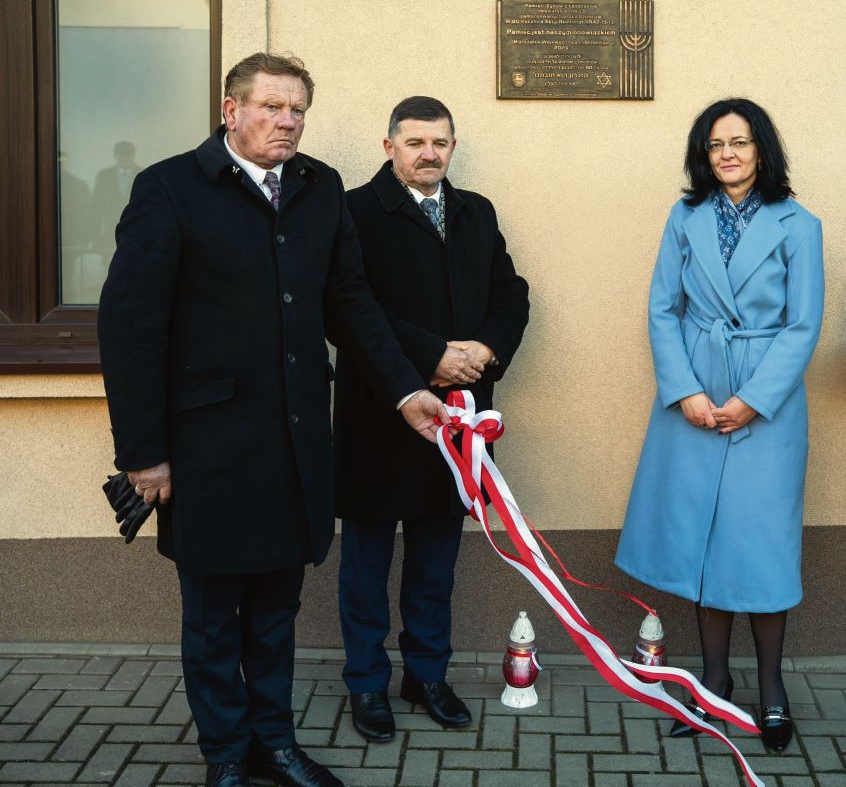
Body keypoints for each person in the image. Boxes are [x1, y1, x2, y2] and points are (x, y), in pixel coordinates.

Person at [97, 53, 448, 787]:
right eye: (271, 107)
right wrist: (143, 453)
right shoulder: (169, 188)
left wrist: (405, 389)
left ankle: (275, 745)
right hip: (207, 446)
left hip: (295, 441)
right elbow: (130, 329)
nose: (287, 122)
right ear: (231, 111)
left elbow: (350, 304)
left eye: (297, 110)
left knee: (275, 610)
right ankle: (226, 755)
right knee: (213, 616)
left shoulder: (320, 188)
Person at [615, 97, 824, 754]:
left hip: (768, 404)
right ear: (703, 155)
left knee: (759, 545)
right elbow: (663, 308)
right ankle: (712, 683)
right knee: (704, 541)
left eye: (739, 141)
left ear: (762, 148)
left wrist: (755, 399)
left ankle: (772, 688)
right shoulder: (685, 218)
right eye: (715, 144)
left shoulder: (800, 225)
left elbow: (804, 325)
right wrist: (684, 391)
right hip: (696, 394)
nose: (727, 153)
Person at [334, 96, 529, 740]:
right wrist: (432, 356)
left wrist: (485, 350)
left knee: (435, 563)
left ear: (453, 147)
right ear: (389, 146)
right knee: (365, 566)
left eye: (439, 142)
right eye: (415, 142)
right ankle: (367, 683)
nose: (429, 153)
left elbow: (511, 291)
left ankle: (426, 675)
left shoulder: (476, 211)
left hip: (459, 422)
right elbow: (348, 308)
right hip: (380, 416)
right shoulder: (354, 211)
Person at [92, 141, 141, 252]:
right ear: (115, 156)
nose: (125, 157)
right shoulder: (104, 175)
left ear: (134, 154)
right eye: (121, 154)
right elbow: (96, 205)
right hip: (108, 232)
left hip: (137, 230)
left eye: (128, 153)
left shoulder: (143, 173)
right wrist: (96, 234)